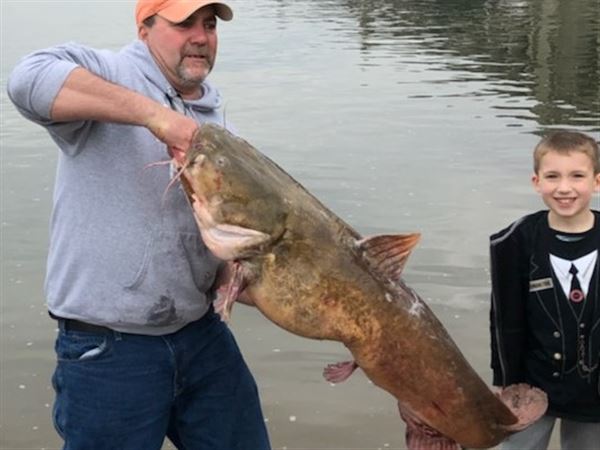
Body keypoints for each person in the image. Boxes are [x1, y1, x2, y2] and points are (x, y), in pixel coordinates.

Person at [6, 1, 272, 449]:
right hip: (109, 350)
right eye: (183, 23)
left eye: (208, 25)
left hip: (201, 336)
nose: (201, 37)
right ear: (145, 28)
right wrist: (158, 118)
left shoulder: (219, 126)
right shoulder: (106, 72)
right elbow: (27, 80)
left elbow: (220, 242)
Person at [489, 130, 600, 450]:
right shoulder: (512, 241)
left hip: (594, 391)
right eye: (552, 176)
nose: (564, 188)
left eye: (577, 176)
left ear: (596, 182)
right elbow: (504, 319)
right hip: (532, 383)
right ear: (537, 182)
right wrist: (504, 381)